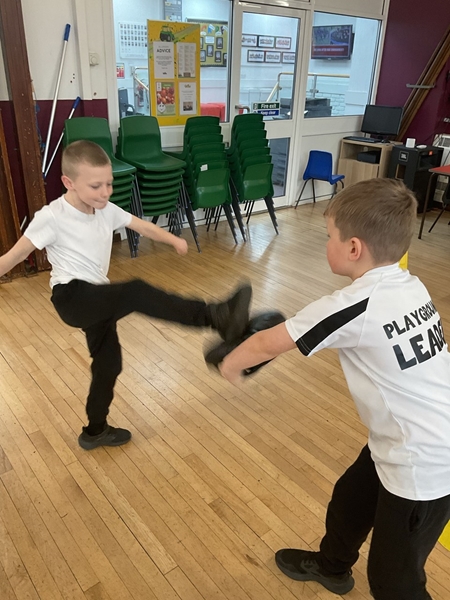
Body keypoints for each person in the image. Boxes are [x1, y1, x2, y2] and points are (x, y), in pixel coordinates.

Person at [218, 178, 450, 599]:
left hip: (426, 463)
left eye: (330, 236)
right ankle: (332, 567)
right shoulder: (409, 284)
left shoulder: (355, 305)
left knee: (393, 581)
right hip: (405, 436)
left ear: (354, 248)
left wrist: (230, 363)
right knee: (350, 500)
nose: (327, 243)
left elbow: (271, 342)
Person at [0, 140, 251, 450]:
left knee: (109, 364)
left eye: (109, 183)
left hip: (97, 297)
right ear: (69, 182)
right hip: (72, 296)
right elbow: (11, 258)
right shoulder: (52, 217)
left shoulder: (105, 210)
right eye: (95, 186)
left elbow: (141, 226)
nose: (105, 192)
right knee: (134, 292)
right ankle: (215, 316)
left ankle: (95, 431)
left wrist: (173, 239)